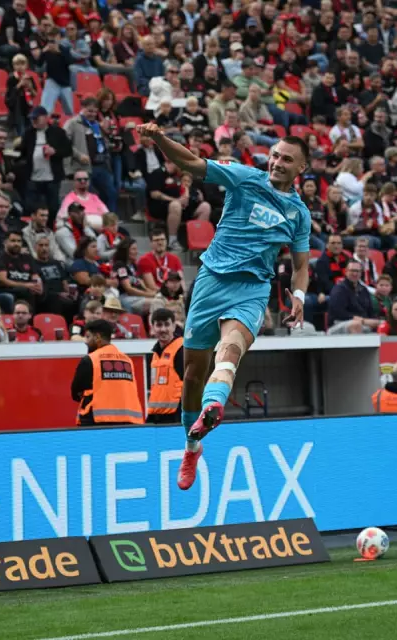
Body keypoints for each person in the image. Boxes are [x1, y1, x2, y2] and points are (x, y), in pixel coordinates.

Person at [136, 123, 311, 491]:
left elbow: (300, 266)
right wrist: (161, 138)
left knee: (230, 348)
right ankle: (191, 445)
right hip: (211, 282)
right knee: (194, 374)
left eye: (287, 159)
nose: (277, 162)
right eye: (275, 155)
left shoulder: (298, 214)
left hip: (252, 288)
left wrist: (298, 298)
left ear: (301, 169)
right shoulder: (244, 178)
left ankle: (214, 408)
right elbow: (193, 163)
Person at [71, 319, 144, 426]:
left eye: (88, 337)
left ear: (97, 337)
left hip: (97, 423)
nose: (86, 341)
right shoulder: (127, 360)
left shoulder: (90, 360)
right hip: (129, 422)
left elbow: (75, 393)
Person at [147, 308, 184, 424]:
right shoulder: (154, 355)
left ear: (174, 326)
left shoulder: (182, 350)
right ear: (152, 328)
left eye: (167, 324)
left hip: (176, 417)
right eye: (158, 325)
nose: (163, 329)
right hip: (157, 417)